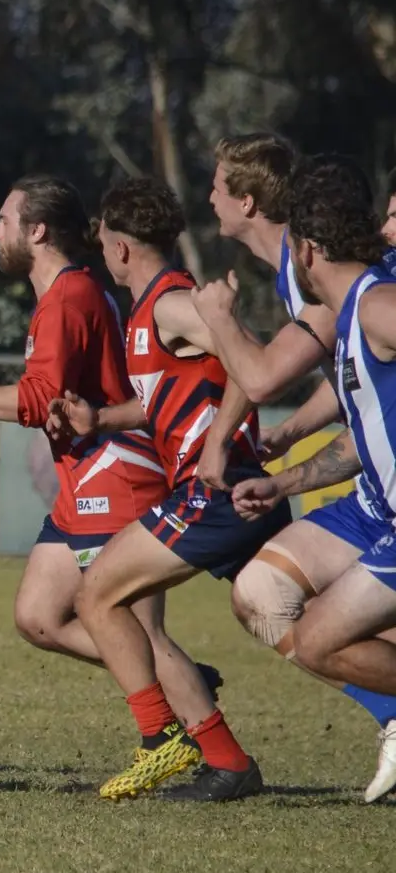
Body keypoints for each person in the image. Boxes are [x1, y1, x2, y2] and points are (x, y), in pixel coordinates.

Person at [0, 176, 219, 780]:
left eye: (3, 219)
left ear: (36, 231)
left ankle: (189, 741)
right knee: (39, 615)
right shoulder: (64, 295)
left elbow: (36, 400)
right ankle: (179, 690)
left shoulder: (69, 297)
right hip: (85, 477)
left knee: (141, 629)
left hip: (116, 473)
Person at [48, 177, 292, 802]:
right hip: (225, 491)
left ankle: (164, 739)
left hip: (217, 490)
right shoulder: (150, 307)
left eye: (104, 243)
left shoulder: (169, 303)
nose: (101, 253)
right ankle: (229, 764)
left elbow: (253, 364)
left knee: (96, 594)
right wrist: (102, 419)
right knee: (306, 627)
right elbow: (166, 398)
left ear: (123, 248)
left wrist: (216, 445)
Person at [196, 148, 396, 796]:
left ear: (308, 248)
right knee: (268, 601)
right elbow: (357, 400)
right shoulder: (348, 300)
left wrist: (220, 320)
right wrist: (284, 469)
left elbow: (256, 375)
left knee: (320, 637)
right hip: (375, 500)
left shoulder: (368, 302)